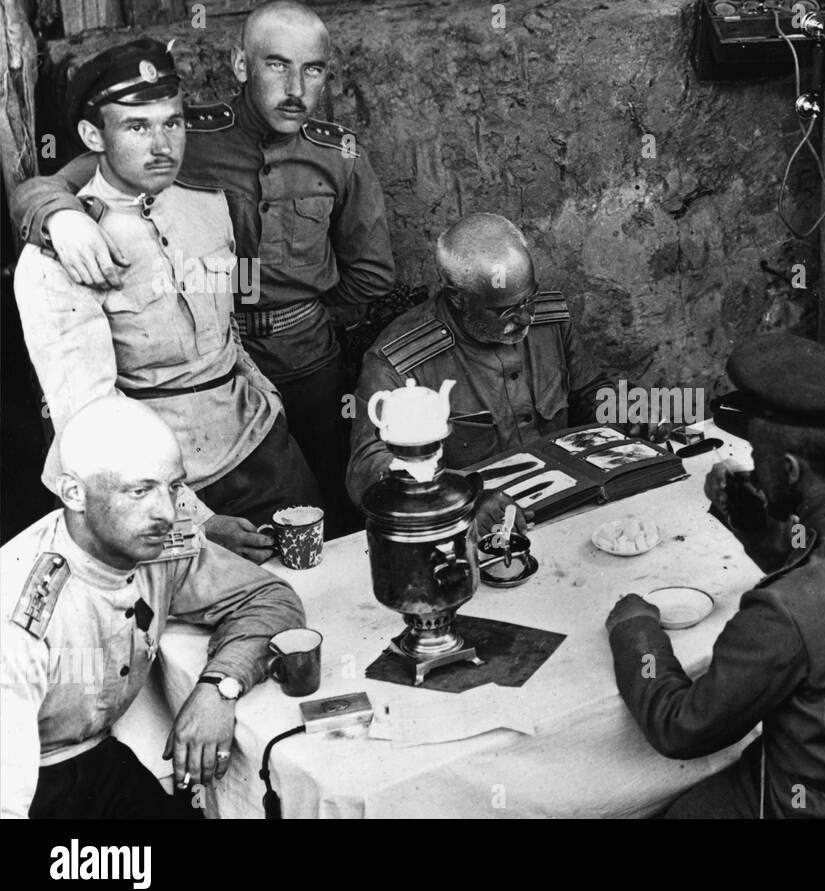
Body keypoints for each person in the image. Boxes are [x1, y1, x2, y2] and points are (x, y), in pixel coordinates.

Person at [10, 0, 394, 537]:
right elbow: (54, 182)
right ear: (241, 67)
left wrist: (311, 316)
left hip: (308, 360)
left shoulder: (338, 156)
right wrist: (58, 217)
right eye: (276, 65)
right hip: (206, 372)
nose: (295, 88)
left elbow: (372, 273)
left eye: (313, 70)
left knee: (326, 510)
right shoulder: (180, 141)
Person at [604, 333, 825, 819]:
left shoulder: (781, 611)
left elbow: (681, 727)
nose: (755, 465)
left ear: (791, 469)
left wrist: (635, 630)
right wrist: (751, 522)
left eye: (761, 457)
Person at [0, 398, 306, 819]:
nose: (165, 513)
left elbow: (270, 600)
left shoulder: (153, 545)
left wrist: (220, 686)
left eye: (174, 488)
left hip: (95, 761)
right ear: (74, 493)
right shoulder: (20, 611)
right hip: (27, 781)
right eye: (139, 491)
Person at [346, 212, 612, 504]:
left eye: (529, 299)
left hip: (569, 495)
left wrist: (624, 411)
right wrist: (459, 498)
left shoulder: (551, 320)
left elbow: (589, 391)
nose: (526, 317)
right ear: (458, 298)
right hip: (472, 524)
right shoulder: (398, 362)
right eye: (504, 311)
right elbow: (367, 469)